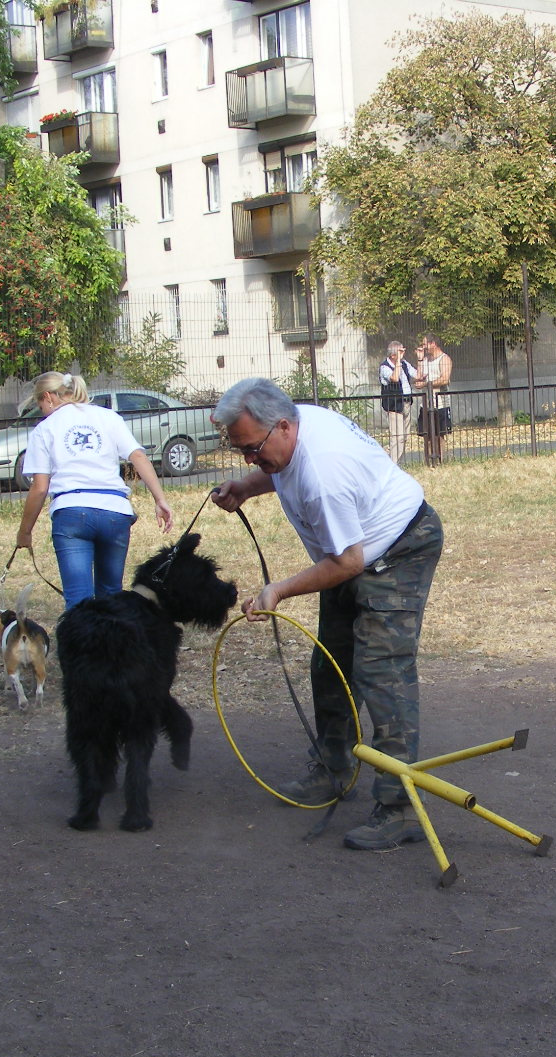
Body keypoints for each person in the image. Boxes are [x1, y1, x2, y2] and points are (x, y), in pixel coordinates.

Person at [210, 378, 445, 852]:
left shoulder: (323, 473)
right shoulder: (293, 427)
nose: (250, 460)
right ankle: (333, 769)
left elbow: (347, 563)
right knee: (330, 662)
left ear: (281, 427)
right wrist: (247, 487)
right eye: (242, 454)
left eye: (252, 450)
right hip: (353, 551)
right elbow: (278, 471)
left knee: (382, 671)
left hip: (398, 549)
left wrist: (278, 589)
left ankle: (400, 808)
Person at [15, 371, 175, 609]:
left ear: (48, 397)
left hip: (71, 512)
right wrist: (160, 499)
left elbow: (39, 488)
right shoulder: (108, 417)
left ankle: (80, 645)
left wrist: (25, 531)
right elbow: (138, 455)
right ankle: (111, 645)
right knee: (110, 596)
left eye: (40, 405)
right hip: (115, 511)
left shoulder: (45, 428)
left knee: (78, 600)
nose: (42, 411)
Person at [413, 332, 453, 465]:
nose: (423, 347)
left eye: (425, 344)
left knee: (439, 435)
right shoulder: (425, 360)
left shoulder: (444, 359)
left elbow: (444, 379)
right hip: (426, 404)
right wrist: (419, 359)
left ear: (433, 344)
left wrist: (427, 384)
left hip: (440, 403)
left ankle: (440, 461)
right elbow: (418, 378)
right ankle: (428, 461)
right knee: (427, 435)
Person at [378, 339, 418, 463]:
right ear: (393, 355)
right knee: (397, 437)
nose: (403, 354)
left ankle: (397, 461)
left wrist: (420, 359)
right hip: (394, 405)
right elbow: (395, 378)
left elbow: (418, 375)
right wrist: (399, 361)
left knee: (405, 436)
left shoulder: (404, 363)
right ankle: (393, 464)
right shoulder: (385, 367)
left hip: (406, 402)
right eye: (400, 352)